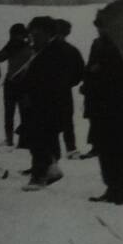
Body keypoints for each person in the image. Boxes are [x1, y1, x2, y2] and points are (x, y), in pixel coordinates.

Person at [81, 10, 123, 205]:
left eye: (103, 26)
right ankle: (112, 188)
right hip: (99, 107)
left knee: (120, 151)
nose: (100, 30)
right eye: (98, 26)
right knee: (104, 150)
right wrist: (89, 79)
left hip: (119, 108)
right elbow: (89, 70)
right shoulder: (97, 44)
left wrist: (98, 73)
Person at [16, 17, 70, 191]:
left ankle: (39, 176)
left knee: (40, 139)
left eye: (37, 34)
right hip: (39, 103)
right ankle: (50, 169)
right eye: (32, 34)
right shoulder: (41, 51)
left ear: (48, 34)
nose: (33, 37)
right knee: (41, 138)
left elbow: (56, 78)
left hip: (47, 103)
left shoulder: (55, 52)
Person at [0, 23, 32, 147]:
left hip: (11, 83)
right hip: (25, 84)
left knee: (9, 114)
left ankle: (9, 139)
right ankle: (24, 141)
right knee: (25, 113)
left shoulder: (11, 46)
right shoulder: (29, 47)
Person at [54, 19, 86, 160]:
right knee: (66, 120)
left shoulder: (44, 50)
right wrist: (70, 82)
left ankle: (61, 150)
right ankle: (70, 149)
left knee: (58, 120)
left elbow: (79, 71)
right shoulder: (72, 50)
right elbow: (80, 72)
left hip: (56, 90)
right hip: (63, 90)